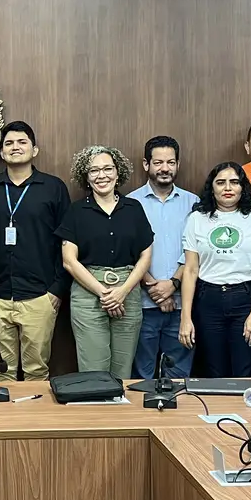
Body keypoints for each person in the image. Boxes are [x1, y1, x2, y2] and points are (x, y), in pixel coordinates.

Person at [0, 121, 71, 382]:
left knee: (37, 372)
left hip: (40, 296)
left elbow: (67, 241)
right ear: (1, 152)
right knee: (1, 371)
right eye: (9, 143)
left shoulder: (53, 187)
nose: (15, 147)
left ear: (34, 150)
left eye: (21, 142)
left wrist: (56, 290)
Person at [59, 146, 154, 378]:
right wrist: (105, 294)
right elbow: (69, 261)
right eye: (94, 170)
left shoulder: (134, 208)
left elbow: (145, 255)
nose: (102, 175)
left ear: (118, 172)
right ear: (86, 176)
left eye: (108, 169)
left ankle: (119, 404)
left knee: (123, 370)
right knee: (94, 371)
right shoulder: (76, 211)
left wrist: (122, 292)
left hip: (127, 291)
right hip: (88, 293)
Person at [178, 162, 251, 378]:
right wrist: (185, 317)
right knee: (213, 370)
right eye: (220, 183)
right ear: (212, 188)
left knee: (245, 370)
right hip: (208, 298)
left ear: (243, 187)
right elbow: (190, 270)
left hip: (246, 298)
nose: (228, 188)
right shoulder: (197, 219)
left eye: (234, 182)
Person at [128, 135, 198, 379]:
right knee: (141, 376)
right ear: (146, 164)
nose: (165, 168)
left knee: (178, 376)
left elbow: (196, 250)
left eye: (170, 162)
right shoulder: (130, 203)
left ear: (178, 164)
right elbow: (127, 251)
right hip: (142, 305)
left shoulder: (194, 202)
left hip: (182, 306)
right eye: (158, 162)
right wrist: (154, 288)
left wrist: (173, 284)